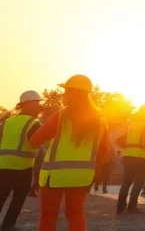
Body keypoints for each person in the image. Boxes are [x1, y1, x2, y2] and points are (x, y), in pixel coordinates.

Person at [29, 75, 110, 231]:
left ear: (74, 94)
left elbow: (34, 142)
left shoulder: (61, 117)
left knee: (48, 215)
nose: (63, 95)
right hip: (81, 176)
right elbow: (103, 151)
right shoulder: (100, 121)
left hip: (54, 176)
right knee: (75, 213)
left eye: (66, 91)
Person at [0, 90, 43, 230]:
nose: (39, 106)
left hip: (3, 166)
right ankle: (8, 225)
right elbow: (36, 142)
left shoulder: (6, 122)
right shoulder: (34, 122)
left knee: (1, 196)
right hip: (22, 167)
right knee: (18, 198)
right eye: (37, 103)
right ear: (27, 104)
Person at [117, 104, 145, 214]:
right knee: (138, 181)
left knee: (126, 181)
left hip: (127, 156)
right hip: (140, 157)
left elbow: (119, 140)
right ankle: (132, 206)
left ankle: (120, 206)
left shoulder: (131, 125)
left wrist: (129, 146)